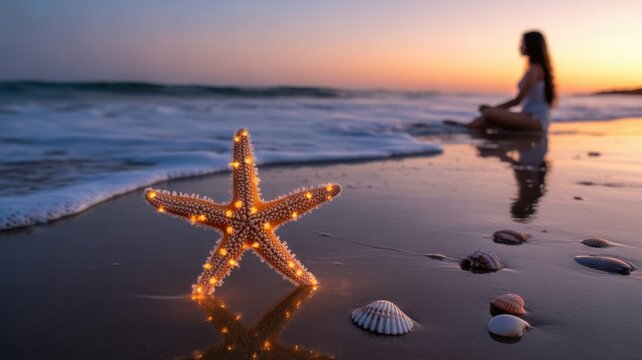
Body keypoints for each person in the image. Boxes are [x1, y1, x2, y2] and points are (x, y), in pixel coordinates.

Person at [461, 31, 556, 132]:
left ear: (531, 45)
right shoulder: (535, 68)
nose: (519, 46)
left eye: (522, 43)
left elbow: (517, 100)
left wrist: (492, 109)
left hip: (536, 120)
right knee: (486, 120)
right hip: (530, 117)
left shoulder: (535, 69)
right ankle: (466, 128)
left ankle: (464, 128)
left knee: (489, 114)